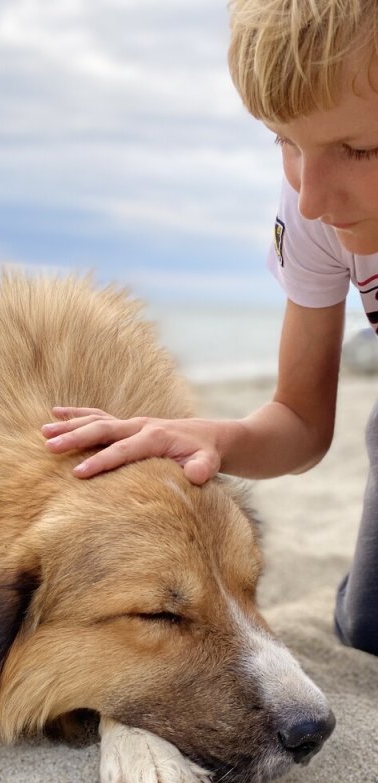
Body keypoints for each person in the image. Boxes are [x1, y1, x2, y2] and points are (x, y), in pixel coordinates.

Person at [41, 0, 378, 655]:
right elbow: (300, 424)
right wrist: (207, 437)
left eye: (361, 150)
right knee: (368, 633)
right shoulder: (312, 212)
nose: (311, 197)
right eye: (284, 141)